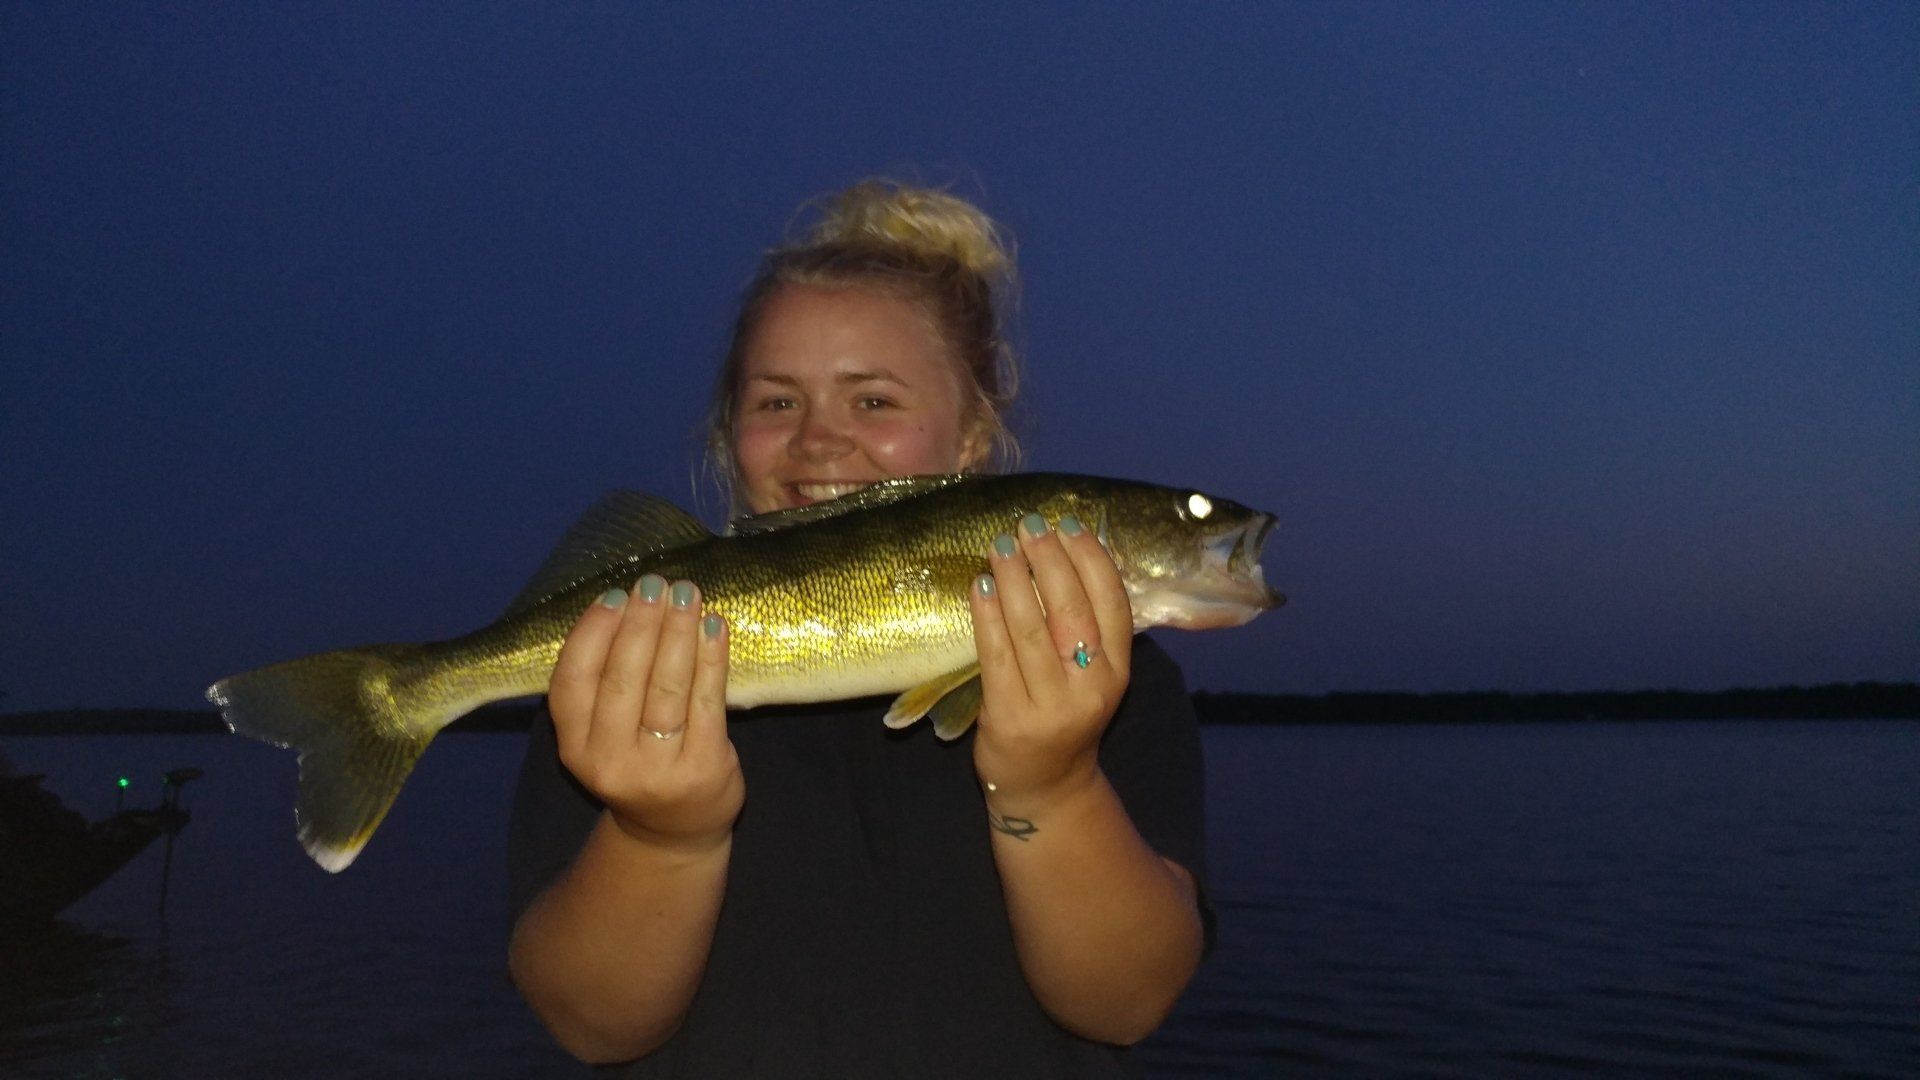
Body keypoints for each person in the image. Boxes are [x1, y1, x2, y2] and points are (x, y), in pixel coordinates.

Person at [506, 180, 1211, 1078]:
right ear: (728, 434)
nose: (819, 440)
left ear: (971, 439)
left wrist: (1053, 785)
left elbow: (1126, 1007)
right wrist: (660, 834)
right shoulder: (622, 678)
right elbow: (592, 1027)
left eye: (873, 401)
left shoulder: (1118, 685)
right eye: (775, 403)